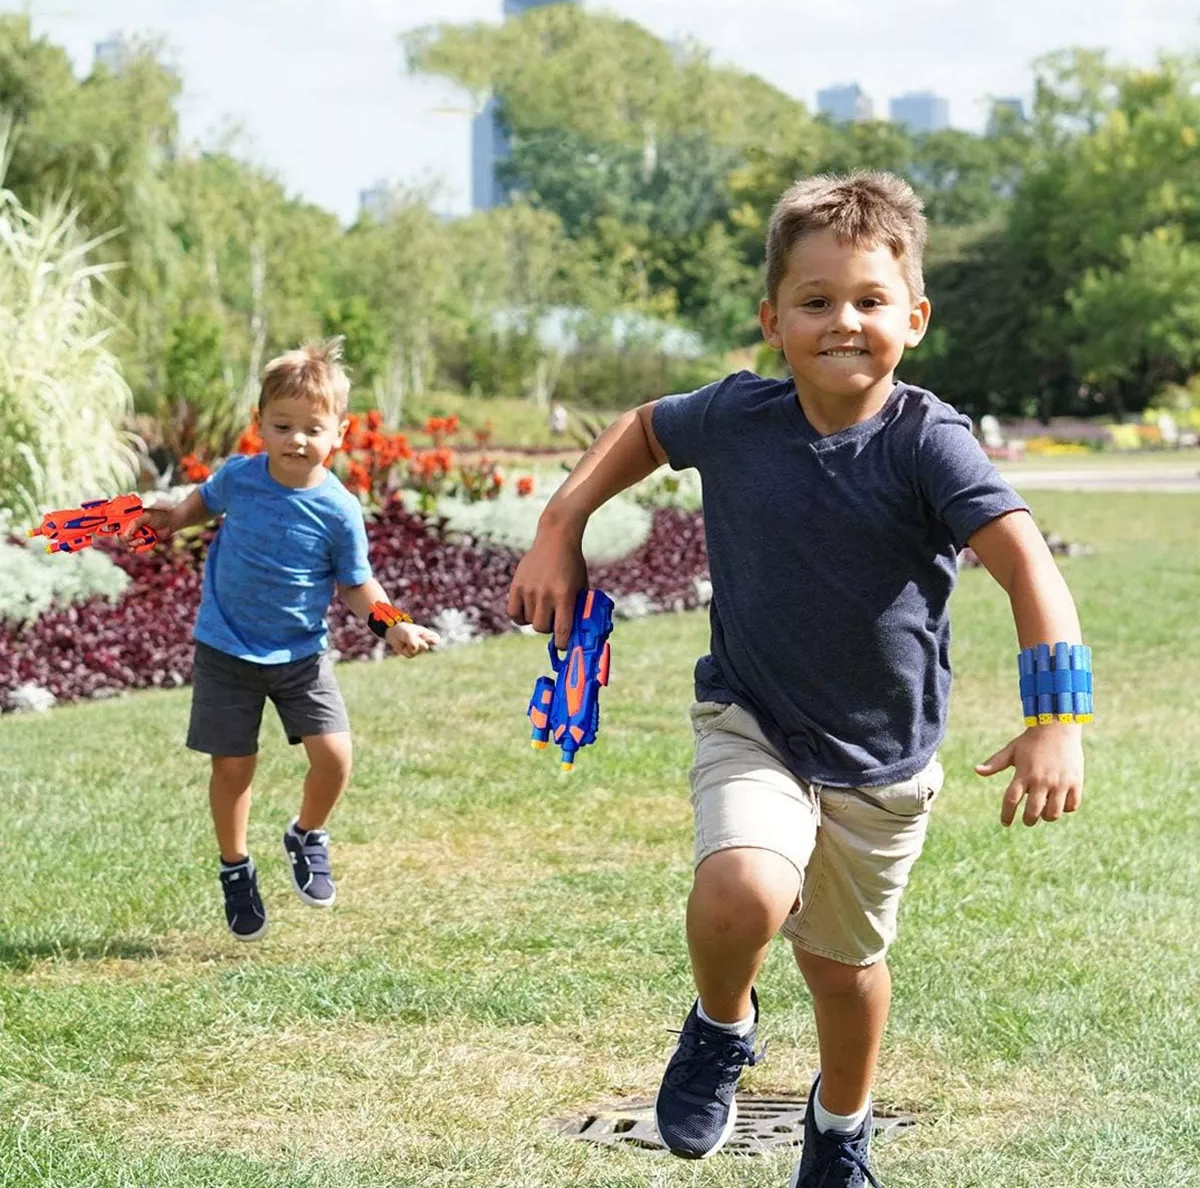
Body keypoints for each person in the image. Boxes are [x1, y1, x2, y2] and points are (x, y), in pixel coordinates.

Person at [506, 172, 1087, 1187]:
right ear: (771, 320)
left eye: (869, 301)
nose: (843, 322)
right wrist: (562, 523)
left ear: (915, 316)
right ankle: (722, 1028)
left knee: (841, 971)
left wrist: (1057, 715)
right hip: (755, 719)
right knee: (742, 890)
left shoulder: (929, 442)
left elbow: (1026, 562)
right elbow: (646, 427)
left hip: (883, 758)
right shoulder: (736, 417)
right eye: (815, 303)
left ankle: (839, 1123)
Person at [144, 339, 440, 941]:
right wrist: (170, 515)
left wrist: (395, 624)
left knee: (334, 757)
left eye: (312, 428)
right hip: (226, 648)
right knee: (233, 765)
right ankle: (235, 867)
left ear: (340, 433)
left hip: (301, 654)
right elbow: (197, 507)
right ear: (260, 425)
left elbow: (358, 585)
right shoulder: (239, 478)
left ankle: (306, 833)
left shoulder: (337, 509)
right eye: (282, 425)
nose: (296, 439)